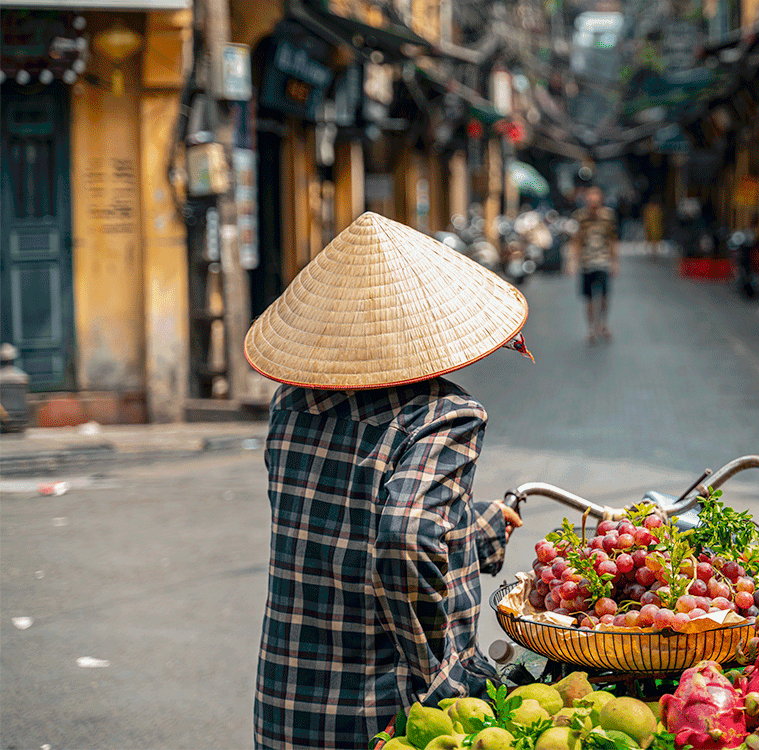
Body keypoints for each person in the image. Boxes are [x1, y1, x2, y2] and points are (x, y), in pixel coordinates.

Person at [245, 212, 531, 750]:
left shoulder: (290, 402)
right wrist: (437, 676)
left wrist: (477, 530)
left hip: (288, 705)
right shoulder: (445, 415)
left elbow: (347, 526)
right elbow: (402, 541)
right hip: (382, 718)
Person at [571, 185, 619, 344]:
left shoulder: (608, 216)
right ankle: (591, 328)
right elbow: (577, 239)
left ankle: (603, 324)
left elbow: (613, 239)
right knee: (589, 299)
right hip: (586, 262)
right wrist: (573, 261)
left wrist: (614, 262)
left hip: (603, 261)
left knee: (604, 296)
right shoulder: (580, 216)